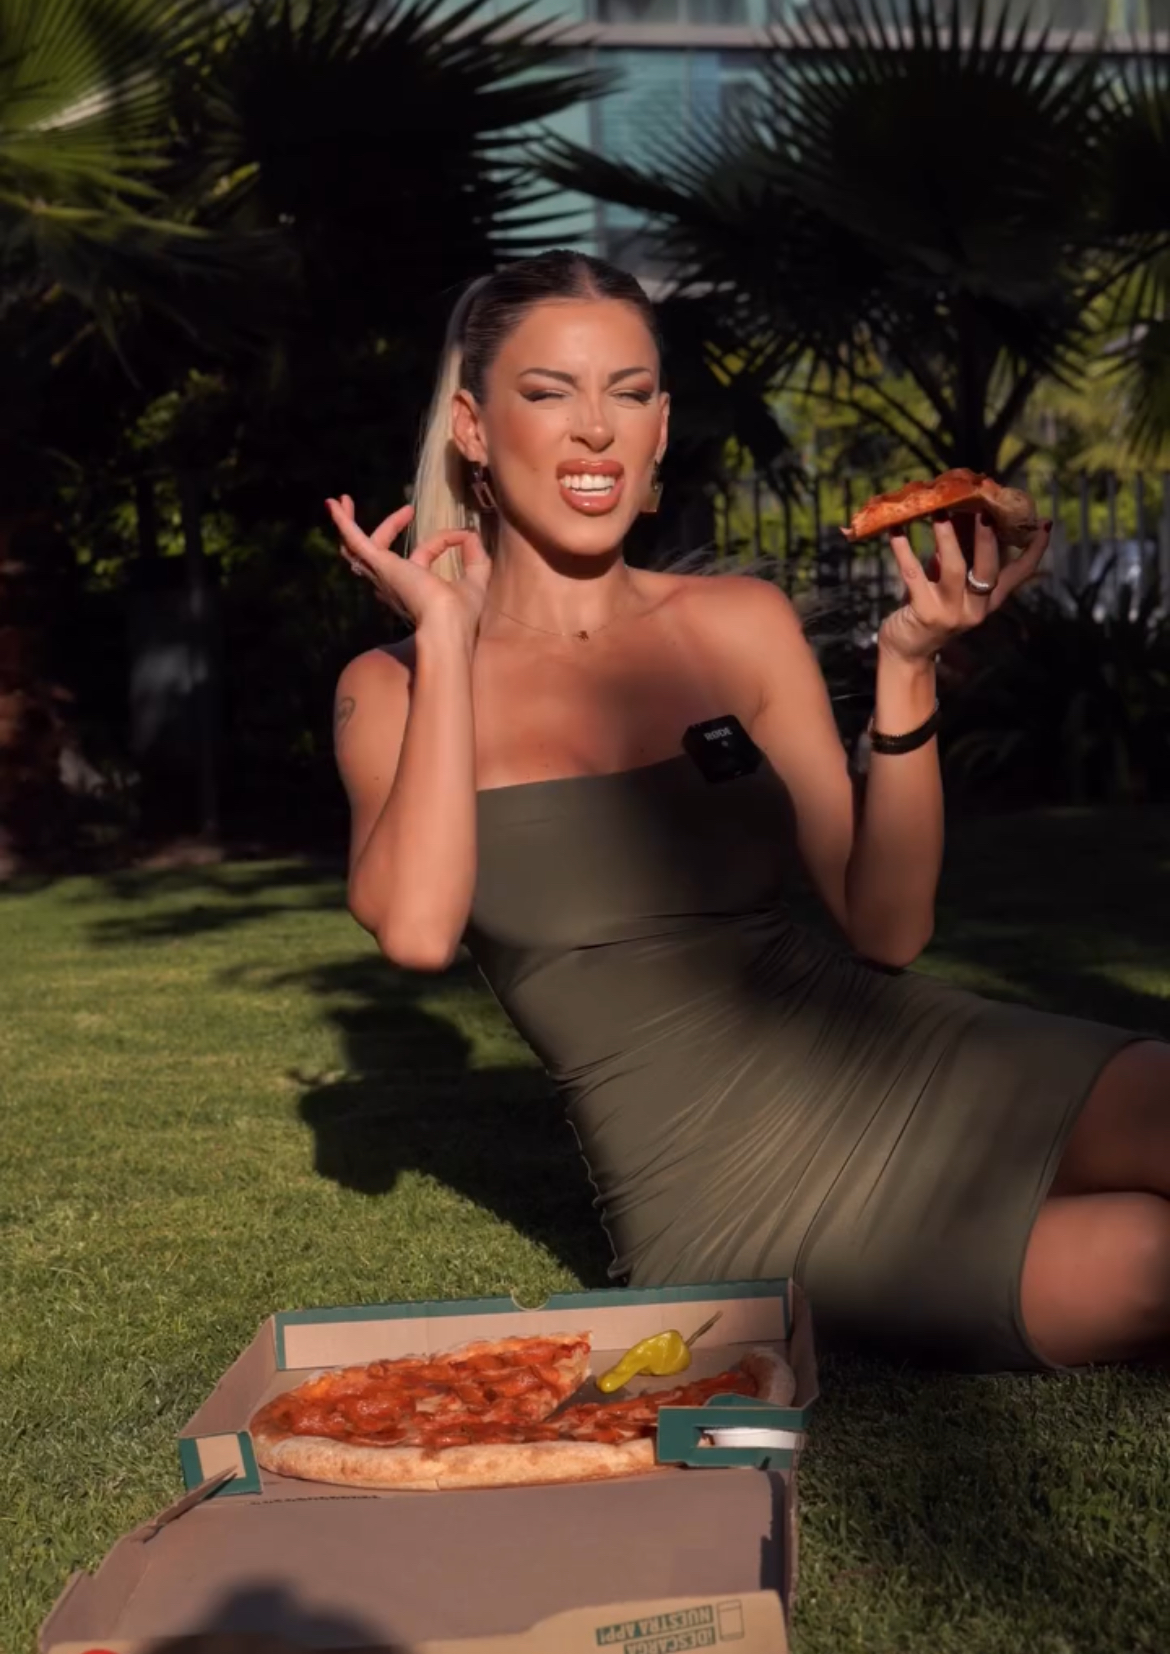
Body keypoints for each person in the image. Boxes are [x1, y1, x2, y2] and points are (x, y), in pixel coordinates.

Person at [329, 248, 1170, 1374]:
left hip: (901, 1053)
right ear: (474, 429)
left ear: (662, 426)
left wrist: (908, 666)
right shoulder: (391, 689)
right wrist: (446, 637)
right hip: (738, 1198)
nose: (596, 430)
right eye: (550, 393)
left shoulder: (740, 622)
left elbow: (887, 928)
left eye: (629, 393)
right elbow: (418, 929)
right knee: (1152, 1258)